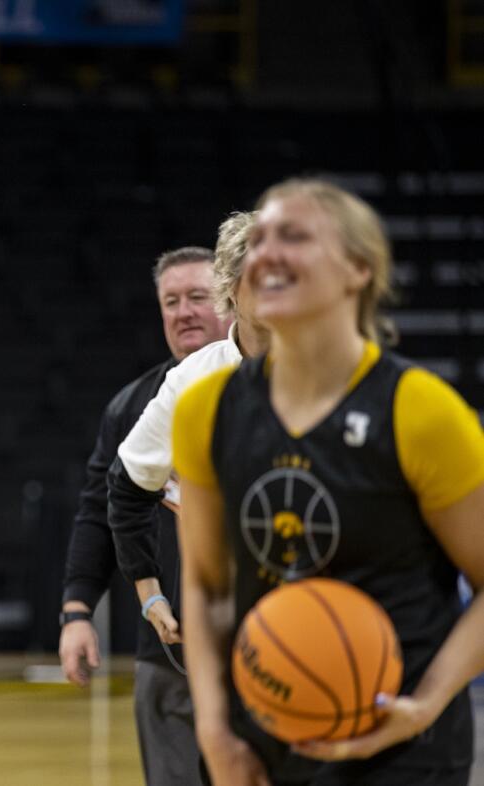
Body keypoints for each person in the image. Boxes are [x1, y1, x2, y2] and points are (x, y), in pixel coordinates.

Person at [174, 178, 484, 785]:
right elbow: (208, 588)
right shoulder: (204, 410)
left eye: (295, 236)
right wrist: (214, 731)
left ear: (358, 270)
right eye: (260, 240)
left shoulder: (422, 411)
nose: (267, 253)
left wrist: (425, 703)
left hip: (403, 741)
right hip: (261, 732)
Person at [57, 246, 230, 782]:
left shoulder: (280, 391)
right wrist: (77, 610)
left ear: (231, 300)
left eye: (198, 297)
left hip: (263, 638)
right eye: (170, 302)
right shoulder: (133, 406)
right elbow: (99, 511)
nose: (184, 312)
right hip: (168, 644)